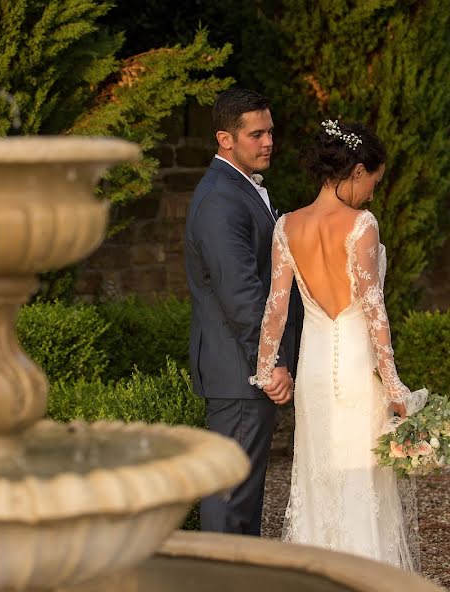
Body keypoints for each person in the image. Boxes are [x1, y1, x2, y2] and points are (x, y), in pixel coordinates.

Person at [249, 120, 421, 570]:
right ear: (357, 170)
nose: (371, 193)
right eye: (373, 182)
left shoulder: (286, 226)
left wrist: (267, 368)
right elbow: (373, 310)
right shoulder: (361, 224)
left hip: (314, 368)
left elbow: (276, 307)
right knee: (360, 477)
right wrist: (395, 383)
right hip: (355, 368)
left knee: (318, 475)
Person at [185, 88, 301, 536]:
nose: (268, 141)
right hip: (240, 370)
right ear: (225, 138)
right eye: (256, 134)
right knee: (230, 497)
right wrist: (270, 364)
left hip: (240, 368)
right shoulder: (220, 199)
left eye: (270, 131)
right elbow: (242, 294)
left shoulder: (238, 189)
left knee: (243, 496)